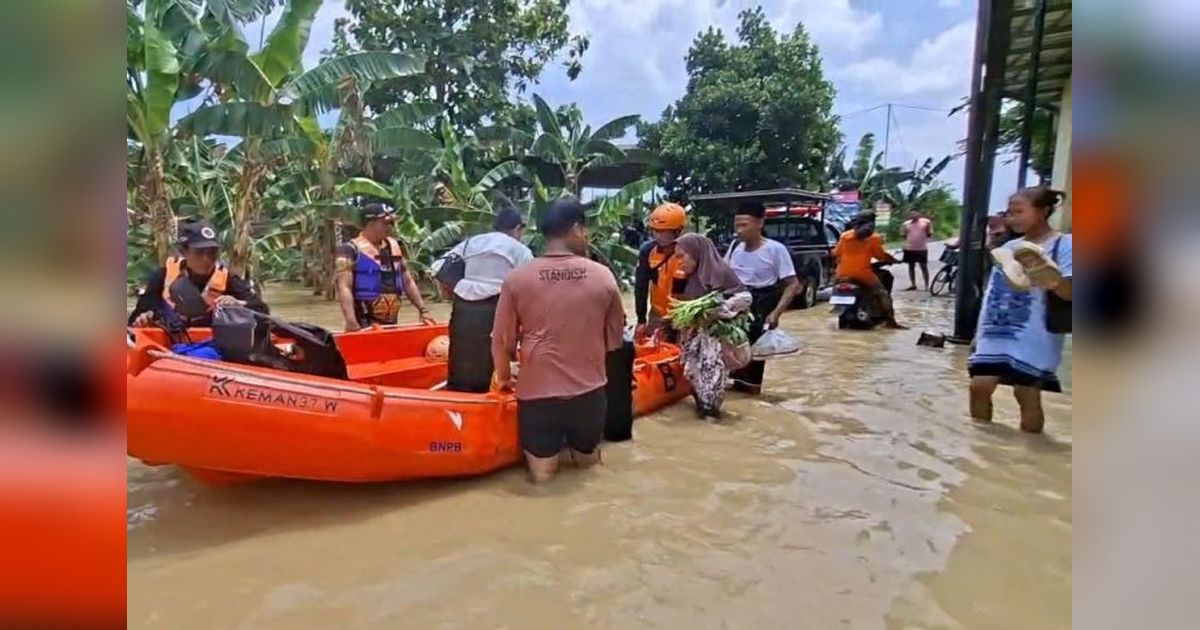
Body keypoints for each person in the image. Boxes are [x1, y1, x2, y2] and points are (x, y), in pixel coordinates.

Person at [491, 198, 626, 483]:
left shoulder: (517, 278)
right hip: (589, 393)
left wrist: (503, 377)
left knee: (542, 479)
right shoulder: (603, 276)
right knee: (589, 469)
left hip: (537, 394)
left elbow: (502, 341)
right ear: (577, 229)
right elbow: (615, 343)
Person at [968, 187, 1072, 434]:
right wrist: (978, 333)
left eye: (1018, 212)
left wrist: (1050, 278)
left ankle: (1030, 448)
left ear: (1044, 210)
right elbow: (992, 293)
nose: (1011, 218)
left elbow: (1070, 293)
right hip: (996, 327)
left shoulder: (1065, 245)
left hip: (1034, 331)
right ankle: (983, 443)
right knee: (979, 386)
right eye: (1009, 213)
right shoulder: (1009, 248)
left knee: (1026, 393)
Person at [434, 202, 533, 392]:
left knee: (461, 352)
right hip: (497, 307)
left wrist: (454, 290)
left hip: (463, 307)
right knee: (495, 358)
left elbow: (439, 268)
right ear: (518, 228)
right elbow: (530, 284)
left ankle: (458, 395)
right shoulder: (519, 250)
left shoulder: (472, 242)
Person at [128, 219, 268, 328]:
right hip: (169, 342)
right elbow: (136, 318)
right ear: (184, 252)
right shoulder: (162, 276)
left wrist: (238, 303)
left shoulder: (228, 279)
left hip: (209, 344)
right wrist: (145, 318)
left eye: (212, 252)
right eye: (199, 252)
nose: (206, 259)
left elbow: (262, 311)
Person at [723, 201, 801, 395]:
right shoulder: (735, 247)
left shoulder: (776, 250)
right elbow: (723, 275)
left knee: (754, 356)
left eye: (744, 225)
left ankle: (750, 392)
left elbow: (793, 284)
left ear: (759, 223)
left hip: (761, 305)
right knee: (732, 350)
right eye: (736, 226)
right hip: (736, 303)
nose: (739, 231)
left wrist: (776, 313)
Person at [672, 233, 749, 419]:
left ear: (696, 253)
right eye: (676, 257)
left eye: (682, 256)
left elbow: (745, 298)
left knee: (711, 384)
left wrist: (722, 308)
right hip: (695, 337)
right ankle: (704, 417)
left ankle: (711, 422)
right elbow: (679, 305)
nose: (679, 262)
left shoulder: (719, 273)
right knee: (695, 378)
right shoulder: (688, 278)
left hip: (716, 339)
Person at [334, 203, 435, 331]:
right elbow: (344, 287)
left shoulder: (393, 247)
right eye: (385, 223)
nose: (390, 227)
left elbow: (407, 281)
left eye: (391, 223)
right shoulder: (349, 250)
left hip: (392, 323)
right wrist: (351, 321)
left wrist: (423, 310)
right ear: (371, 224)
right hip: (364, 323)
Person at [833, 210, 905, 329]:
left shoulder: (845, 236)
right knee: (882, 293)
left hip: (842, 274)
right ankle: (891, 322)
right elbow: (881, 256)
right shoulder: (874, 238)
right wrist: (893, 260)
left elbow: (837, 252)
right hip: (863, 274)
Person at [634, 202, 688, 341]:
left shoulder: (690, 251)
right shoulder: (648, 251)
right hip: (658, 315)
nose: (657, 235)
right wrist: (641, 319)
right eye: (654, 231)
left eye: (662, 231)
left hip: (684, 316)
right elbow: (641, 286)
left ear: (678, 230)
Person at [901, 209, 933, 291]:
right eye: (911, 214)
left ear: (919, 214)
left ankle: (927, 285)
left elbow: (929, 233)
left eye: (915, 213)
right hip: (910, 248)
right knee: (911, 266)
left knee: (923, 266)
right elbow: (904, 235)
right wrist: (905, 244)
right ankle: (913, 284)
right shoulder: (906, 224)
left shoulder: (926, 222)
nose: (913, 215)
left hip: (922, 248)